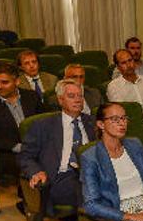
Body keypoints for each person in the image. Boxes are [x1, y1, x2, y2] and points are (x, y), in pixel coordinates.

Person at [19, 79, 95, 213]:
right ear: (60, 100)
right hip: (61, 177)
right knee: (88, 188)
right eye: (71, 96)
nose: (77, 100)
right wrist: (36, 171)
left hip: (91, 174)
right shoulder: (42, 125)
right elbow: (25, 156)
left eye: (80, 96)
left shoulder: (92, 123)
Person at [0, 61, 45, 156]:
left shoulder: (32, 96)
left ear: (17, 81)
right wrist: (19, 147)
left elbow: (45, 124)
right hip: (10, 154)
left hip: (39, 149)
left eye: (5, 82)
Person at [106, 49, 143, 131]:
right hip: (132, 128)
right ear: (118, 67)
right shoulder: (113, 87)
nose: (128, 65)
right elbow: (120, 114)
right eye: (123, 63)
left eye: (130, 60)